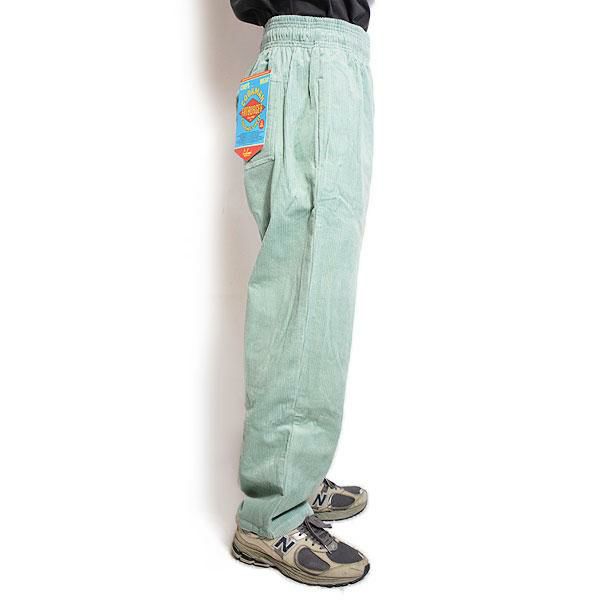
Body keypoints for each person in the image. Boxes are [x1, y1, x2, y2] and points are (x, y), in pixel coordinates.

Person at [230, 1, 374, 587]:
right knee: (308, 287)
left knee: (310, 284)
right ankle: (272, 515)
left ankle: (295, 473)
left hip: (316, 59)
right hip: (313, 60)